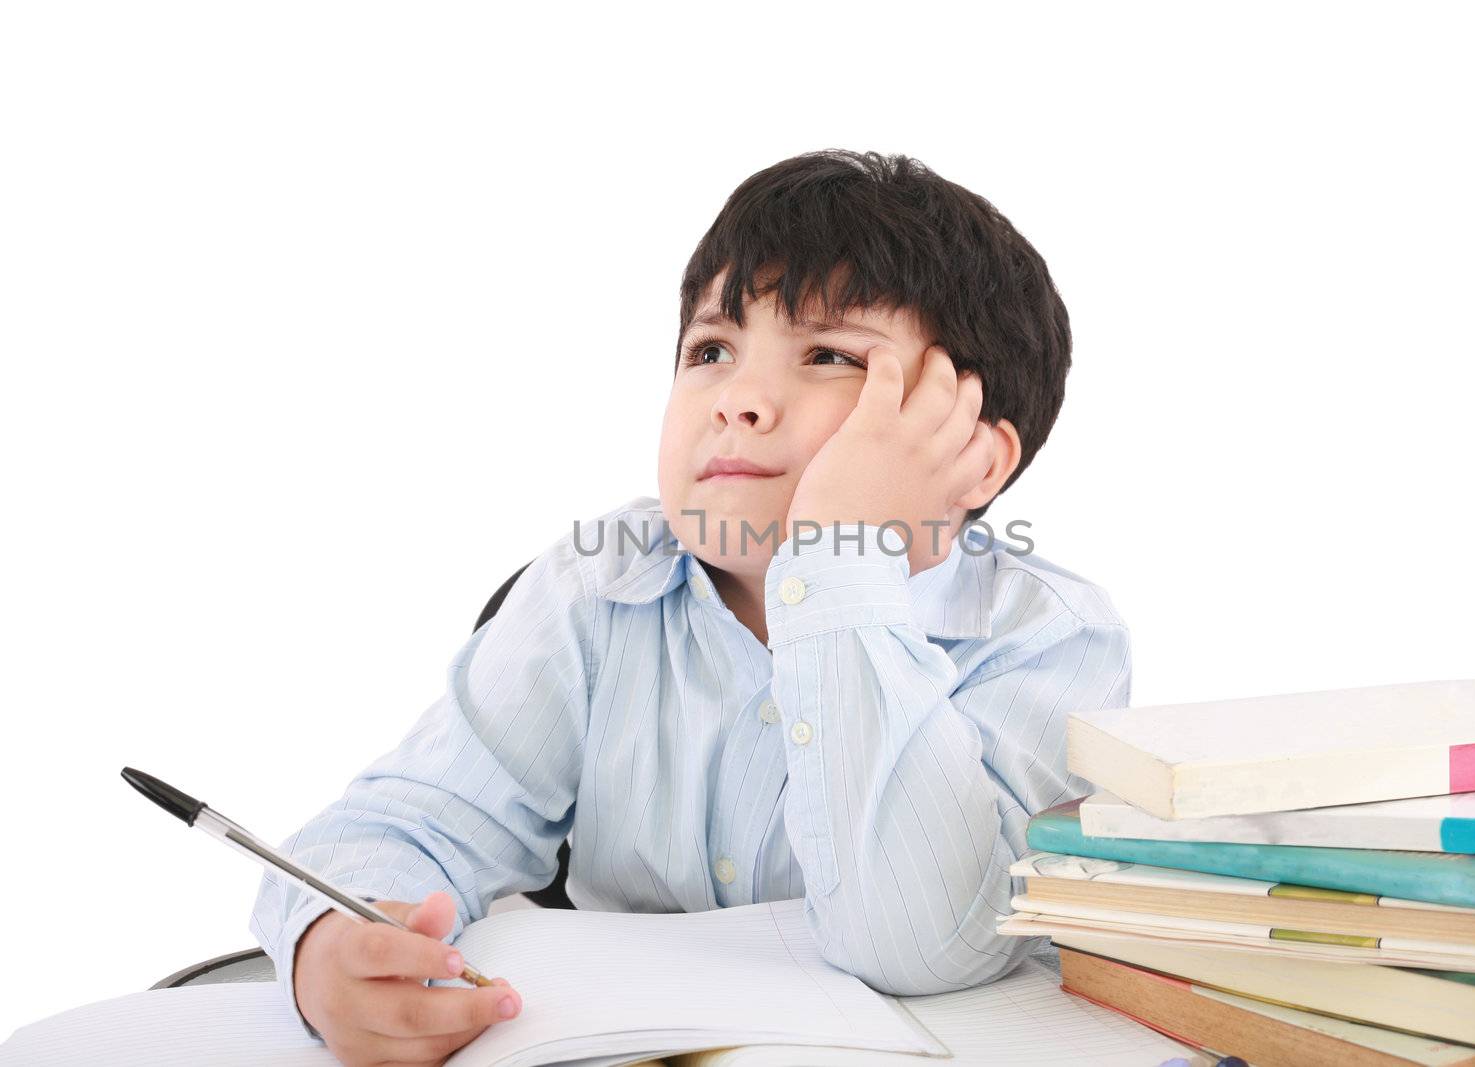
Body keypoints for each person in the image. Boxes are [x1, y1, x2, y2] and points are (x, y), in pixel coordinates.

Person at [249, 148, 1131, 1067]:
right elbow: (401, 827)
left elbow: (924, 938)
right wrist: (329, 944)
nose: (740, 400)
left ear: (976, 457)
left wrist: (837, 560)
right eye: (711, 351)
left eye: (828, 354)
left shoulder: (1050, 639)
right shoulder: (596, 589)